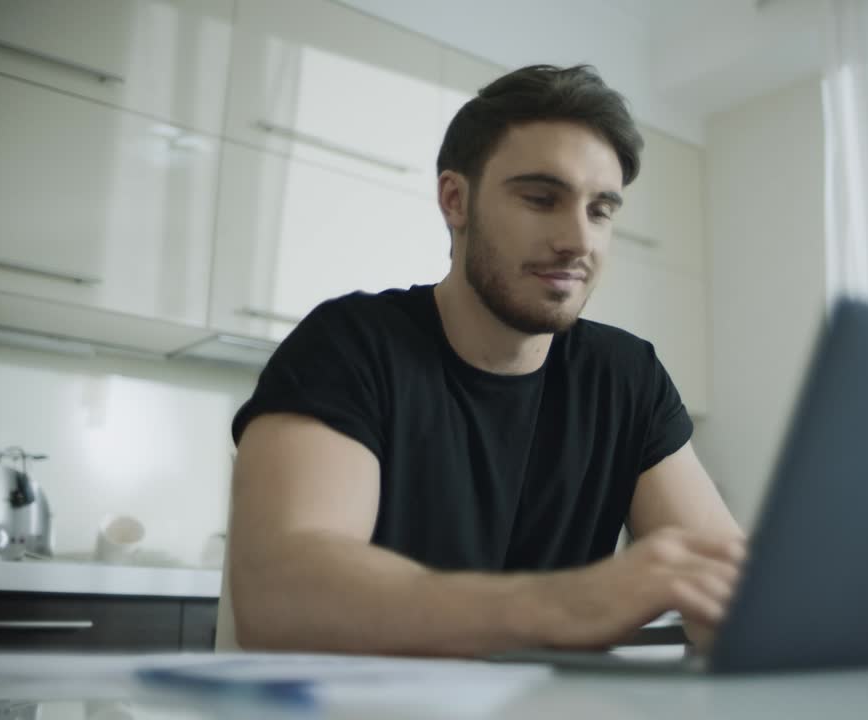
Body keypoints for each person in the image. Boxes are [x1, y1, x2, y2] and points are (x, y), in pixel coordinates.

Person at [223, 64, 744, 657]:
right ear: (455, 200)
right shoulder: (349, 347)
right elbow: (283, 598)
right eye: (541, 199)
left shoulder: (627, 378)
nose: (577, 239)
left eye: (600, 210)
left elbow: (727, 593)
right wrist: (571, 604)